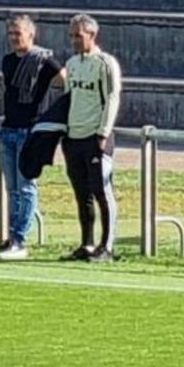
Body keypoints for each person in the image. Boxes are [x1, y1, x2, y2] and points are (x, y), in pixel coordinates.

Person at [0, 13, 64, 261]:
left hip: (29, 130)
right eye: (11, 33)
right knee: (12, 188)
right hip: (9, 130)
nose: (14, 38)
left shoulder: (43, 61)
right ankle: (12, 236)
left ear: (31, 35)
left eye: (18, 33)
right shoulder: (7, 60)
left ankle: (20, 239)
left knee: (25, 187)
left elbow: (65, 81)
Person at [60, 14, 122, 262]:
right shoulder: (73, 63)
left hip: (96, 137)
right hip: (73, 137)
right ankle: (87, 243)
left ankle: (107, 246)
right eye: (71, 36)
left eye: (78, 35)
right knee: (81, 192)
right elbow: (68, 98)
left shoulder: (105, 63)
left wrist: (103, 133)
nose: (74, 40)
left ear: (92, 35)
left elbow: (112, 97)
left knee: (101, 191)